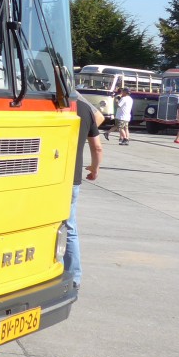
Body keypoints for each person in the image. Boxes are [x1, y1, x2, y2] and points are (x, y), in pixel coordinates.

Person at [68, 95, 103, 288]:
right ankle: (74, 276)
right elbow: (97, 147)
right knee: (70, 228)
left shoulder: (50, 105)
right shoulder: (84, 109)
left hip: (47, 177)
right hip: (73, 178)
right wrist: (95, 168)